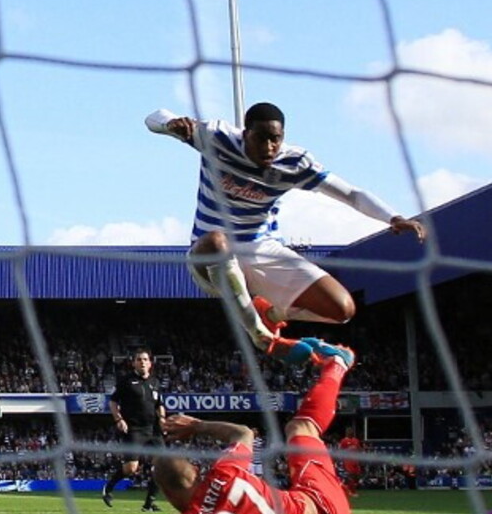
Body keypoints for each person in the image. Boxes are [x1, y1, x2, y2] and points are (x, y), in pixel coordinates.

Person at [37, 339, 464, 514]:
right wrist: (198, 426)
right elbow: (244, 431)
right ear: (196, 471)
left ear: (169, 495)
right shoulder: (224, 473)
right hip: (322, 508)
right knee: (301, 426)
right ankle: (335, 366)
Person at [144, 102, 425, 357]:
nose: (269, 147)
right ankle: (259, 335)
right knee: (218, 241)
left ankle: (273, 313)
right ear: (245, 133)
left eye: (275, 139)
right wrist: (170, 125)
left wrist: (393, 217)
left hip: (262, 248)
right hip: (209, 259)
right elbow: (153, 117)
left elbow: (350, 193)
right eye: (261, 138)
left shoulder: (295, 163)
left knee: (342, 310)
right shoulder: (216, 137)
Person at [100, 349, 166, 512]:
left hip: (154, 430)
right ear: (134, 363)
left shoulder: (155, 383)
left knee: (161, 467)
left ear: (150, 363)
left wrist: (163, 419)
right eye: (139, 359)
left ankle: (148, 504)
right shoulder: (126, 381)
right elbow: (113, 402)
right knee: (131, 468)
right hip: (135, 429)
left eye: (145, 359)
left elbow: (160, 405)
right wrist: (119, 419)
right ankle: (108, 488)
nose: (142, 362)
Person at [338, 425, 364, 497]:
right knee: (350, 476)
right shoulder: (344, 441)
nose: (350, 432)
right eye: (349, 431)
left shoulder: (356, 440)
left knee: (357, 476)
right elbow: (340, 451)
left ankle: (348, 488)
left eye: (351, 431)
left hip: (355, 460)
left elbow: (359, 449)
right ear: (346, 433)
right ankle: (352, 491)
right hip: (348, 461)